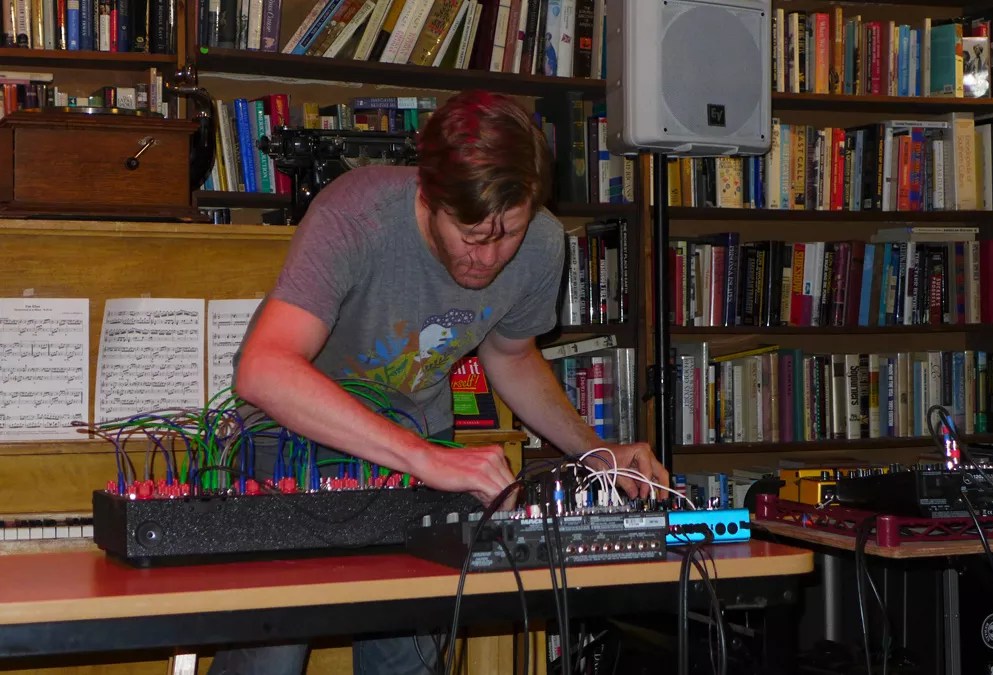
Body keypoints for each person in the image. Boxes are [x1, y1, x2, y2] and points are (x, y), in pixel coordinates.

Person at [208, 90, 669, 675]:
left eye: (508, 234)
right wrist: (426, 457)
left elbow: (512, 355)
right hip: (291, 448)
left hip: (415, 454)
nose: (489, 257)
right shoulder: (358, 213)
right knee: (272, 654)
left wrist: (595, 451)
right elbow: (263, 370)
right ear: (427, 196)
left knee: (409, 657)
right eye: (471, 235)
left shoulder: (542, 242)